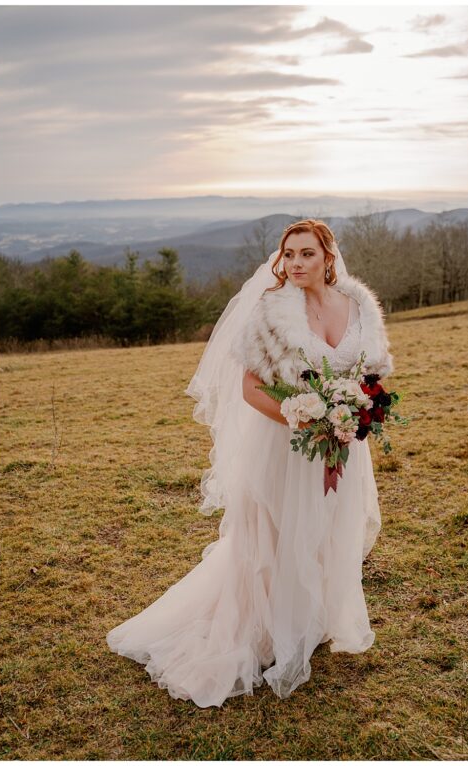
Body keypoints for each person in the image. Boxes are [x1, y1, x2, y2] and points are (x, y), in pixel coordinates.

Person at [107, 219, 393, 708]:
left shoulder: (360, 305)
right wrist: (303, 416)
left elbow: (374, 371)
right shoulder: (271, 312)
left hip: (342, 445)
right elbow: (250, 389)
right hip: (288, 444)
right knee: (277, 536)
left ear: (329, 255)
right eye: (289, 255)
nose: (296, 264)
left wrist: (357, 407)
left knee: (327, 531)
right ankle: (265, 631)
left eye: (307, 254)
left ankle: (313, 619)